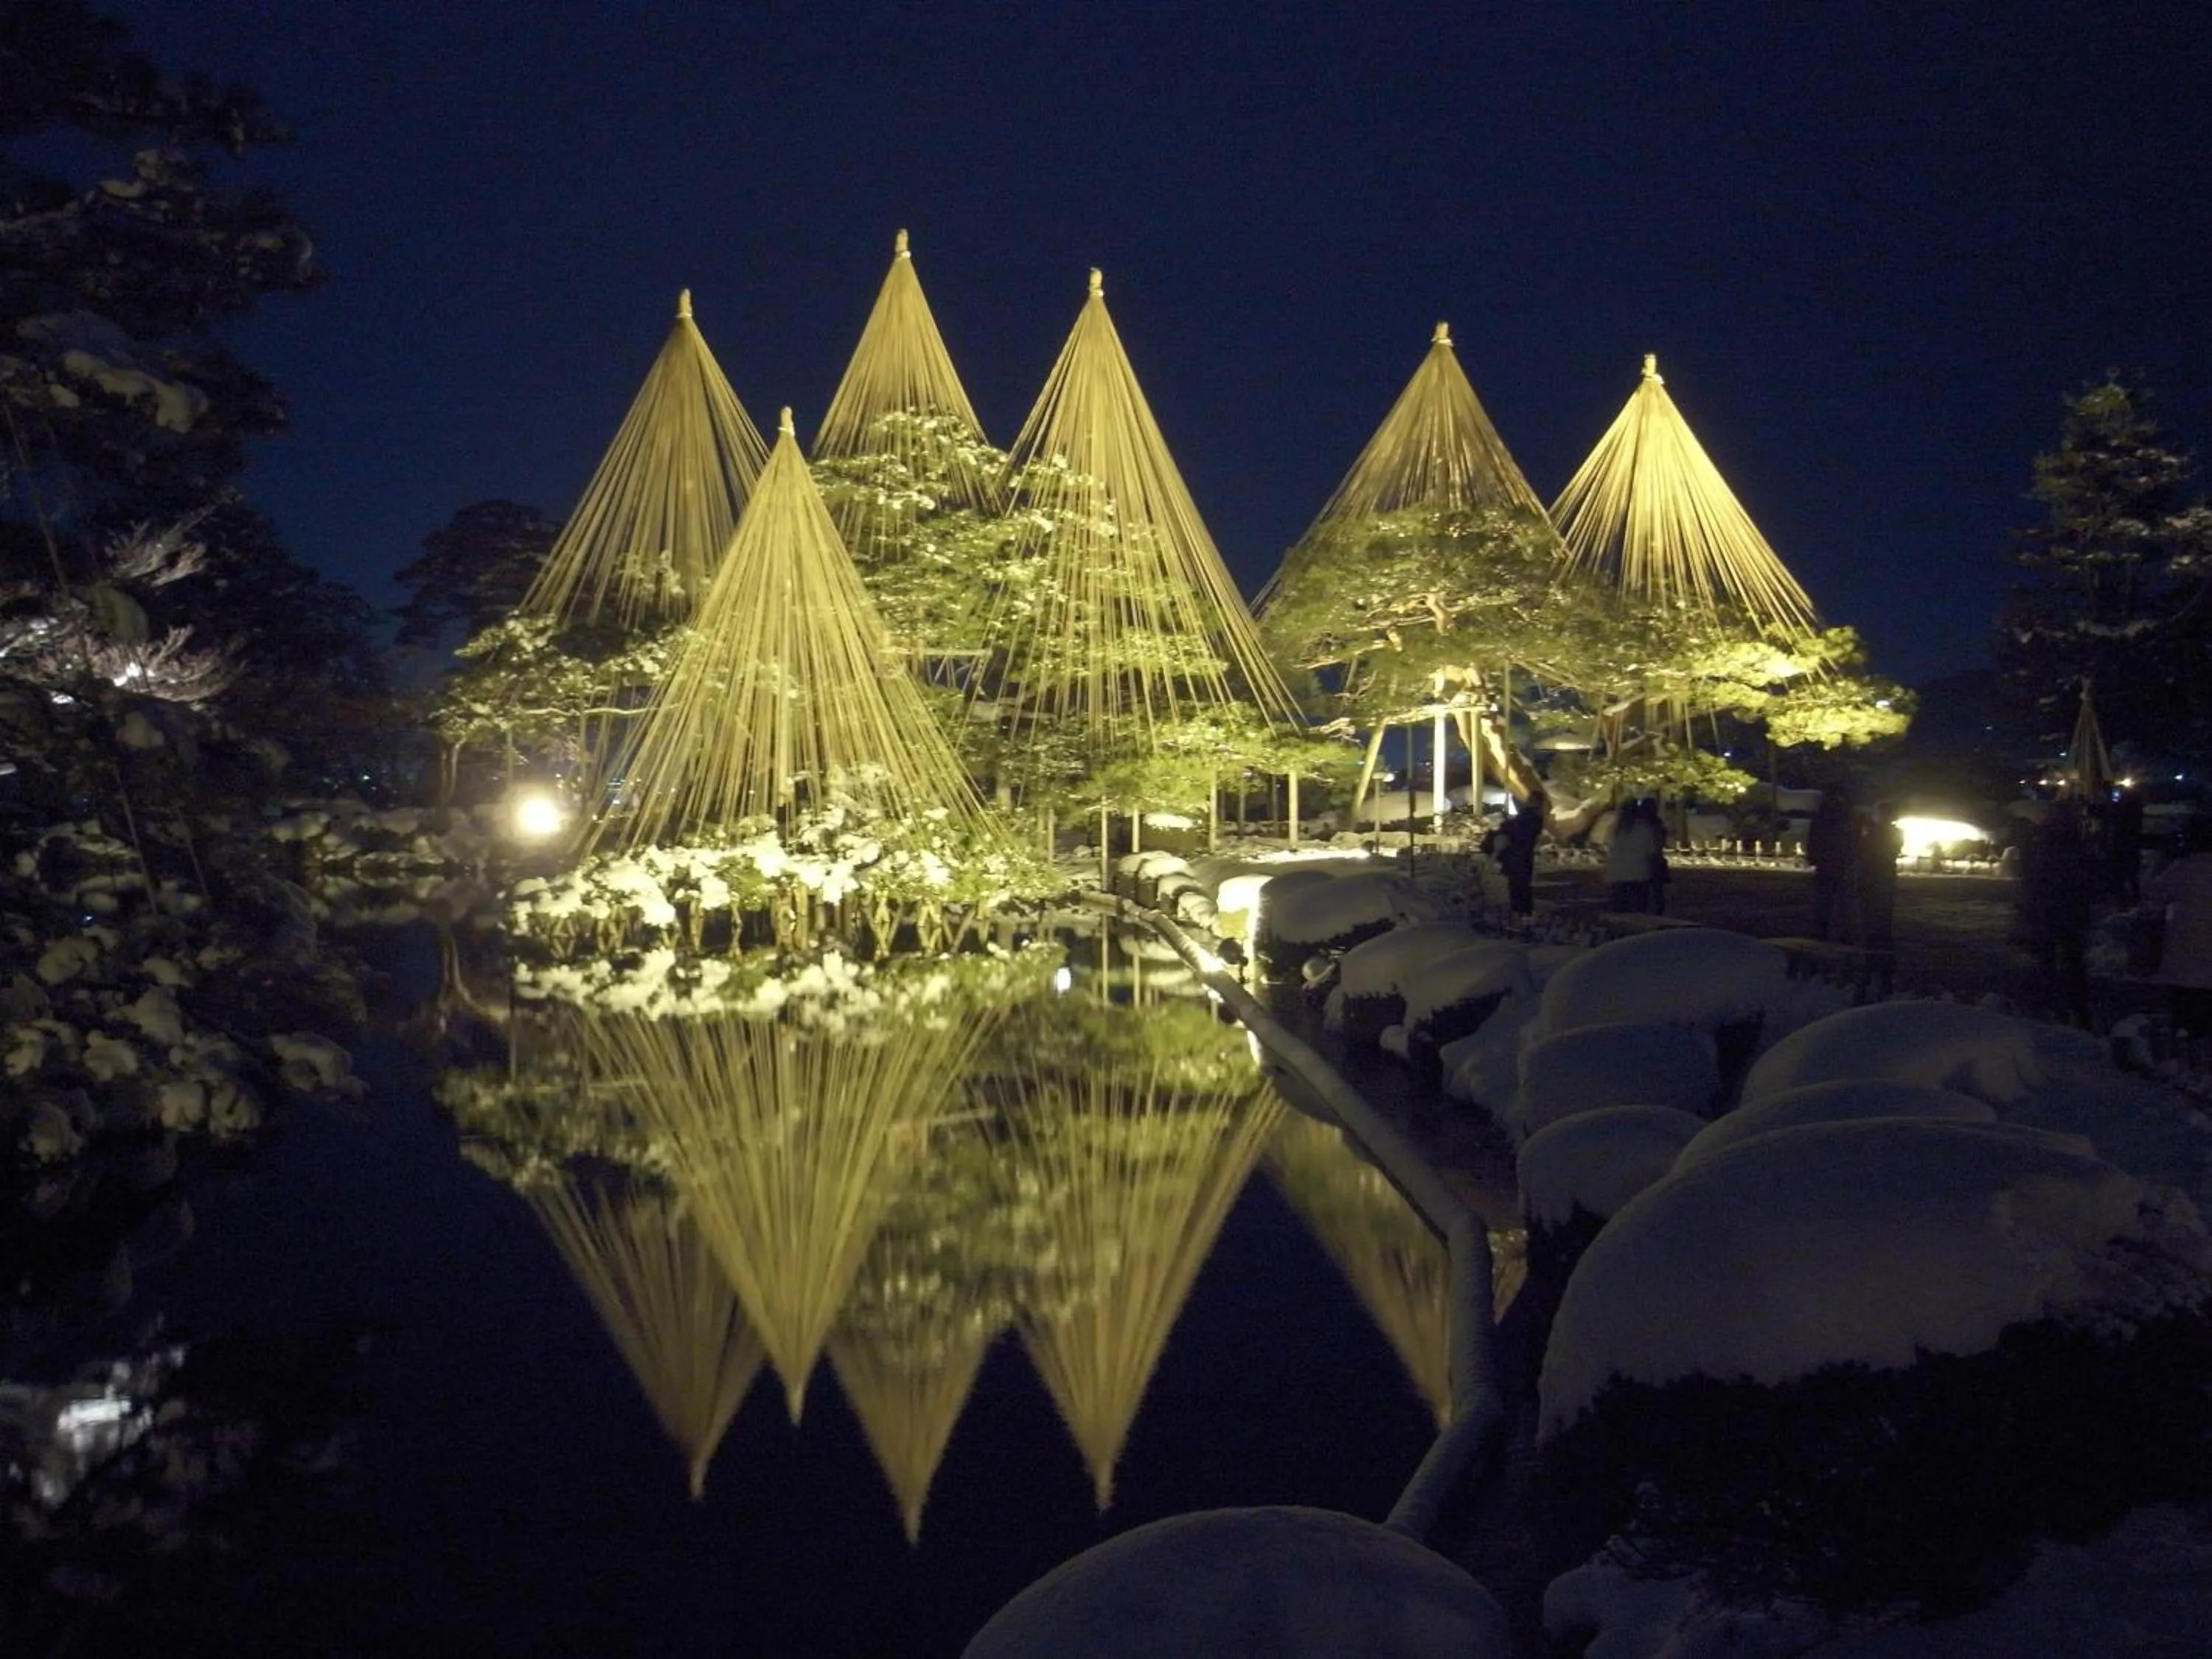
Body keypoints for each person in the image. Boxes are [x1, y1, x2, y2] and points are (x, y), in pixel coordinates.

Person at [2015, 801, 2098, 1027]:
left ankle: (2049, 1008)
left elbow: (2029, 877)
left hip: (2046, 911)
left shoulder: (2041, 848)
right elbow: (2093, 880)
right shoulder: (2080, 850)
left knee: (2046, 961)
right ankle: (2079, 1011)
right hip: (2072, 912)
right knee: (2073, 962)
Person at [2146, 814, 2212, 1038]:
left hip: (2186, 952)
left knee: (2185, 1014)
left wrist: (2161, 861)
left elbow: (2154, 892)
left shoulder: (2184, 869)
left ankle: (2187, 1058)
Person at [1806, 786, 1855, 940]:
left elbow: (1814, 837)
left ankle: (1823, 929)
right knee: (1839, 896)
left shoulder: (1823, 815)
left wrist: (1813, 855)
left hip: (1828, 860)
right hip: (1836, 860)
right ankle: (1842, 931)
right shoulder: (1843, 814)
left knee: (1826, 897)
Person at [1854, 800, 1903, 952]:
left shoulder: (1874, 832)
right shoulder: (1897, 833)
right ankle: (1883, 946)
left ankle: (1871, 945)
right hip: (1886, 874)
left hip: (1872, 874)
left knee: (1869, 912)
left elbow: (1863, 849)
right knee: (1884, 914)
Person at [1494, 788, 1547, 917]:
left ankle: (1517, 915)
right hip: (1525, 858)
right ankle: (1524, 916)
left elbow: (1509, 829)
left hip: (1514, 856)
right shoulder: (1537, 819)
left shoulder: (1524, 818)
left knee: (1516, 887)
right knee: (1524, 887)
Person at [1605, 796, 1662, 914]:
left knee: (1619, 908)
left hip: (1617, 873)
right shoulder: (1644, 828)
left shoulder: (1613, 828)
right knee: (1638, 908)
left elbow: (1609, 848)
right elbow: (1651, 852)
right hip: (1639, 873)